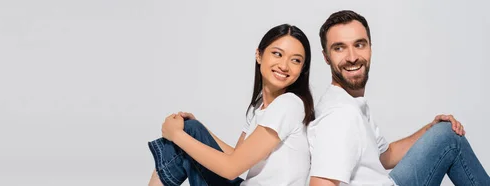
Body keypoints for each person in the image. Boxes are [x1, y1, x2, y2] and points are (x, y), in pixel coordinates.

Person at [308, 10, 490, 186]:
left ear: (370, 48)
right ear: (326, 57)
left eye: (359, 45)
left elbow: (386, 156)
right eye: (339, 48)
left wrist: (430, 130)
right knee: (451, 139)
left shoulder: (351, 102)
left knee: (444, 133)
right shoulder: (340, 116)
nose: (352, 57)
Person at [147, 24, 315, 186]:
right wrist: (199, 131)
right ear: (259, 55)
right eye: (277, 54)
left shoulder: (289, 104)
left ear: (302, 69)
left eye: (295, 60)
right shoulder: (259, 106)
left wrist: (176, 135)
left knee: (185, 134)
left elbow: (231, 169)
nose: (284, 65)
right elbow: (237, 156)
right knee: (191, 129)